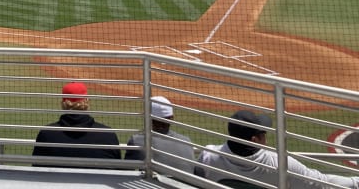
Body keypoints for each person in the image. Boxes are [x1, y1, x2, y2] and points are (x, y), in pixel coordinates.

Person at [196, 110, 359, 188]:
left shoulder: (208, 156)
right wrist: (355, 182)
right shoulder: (278, 162)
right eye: (263, 133)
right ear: (255, 140)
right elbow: (322, 183)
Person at [32, 81, 121, 165]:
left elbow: (36, 168)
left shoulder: (47, 134)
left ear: (63, 103)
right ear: (87, 101)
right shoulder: (108, 135)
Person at [125, 96, 195, 174]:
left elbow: (126, 173)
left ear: (147, 118)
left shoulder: (136, 141)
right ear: (172, 118)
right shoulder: (187, 141)